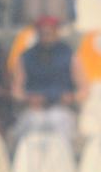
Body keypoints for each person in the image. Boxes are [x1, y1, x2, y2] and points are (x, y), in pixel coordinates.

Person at [12, 15, 87, 143]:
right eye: (43, 33)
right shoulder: (26, 57)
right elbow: (16, 91)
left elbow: (84, 88)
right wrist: (27, 99)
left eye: (50, 32)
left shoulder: (69, 55)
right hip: (34, 109)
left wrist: (72, 97)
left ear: (56, 32)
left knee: (59, 123)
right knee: (30, 124)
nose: (46, 36)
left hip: (60, 108)